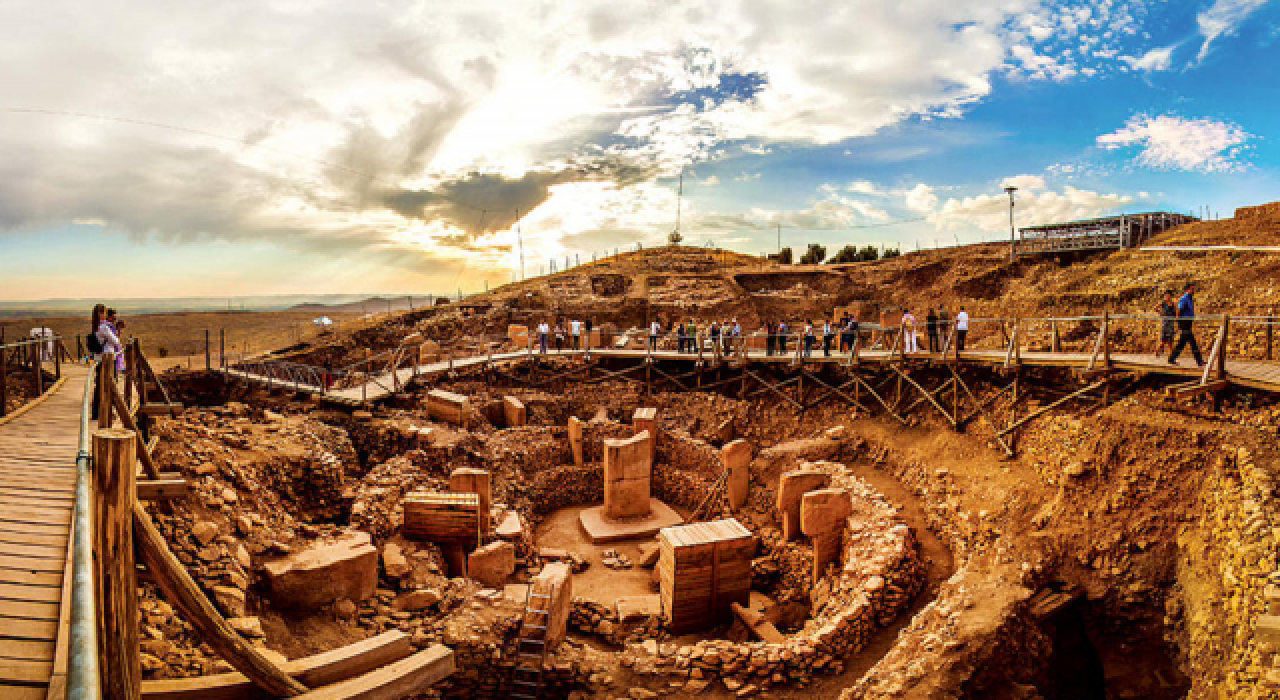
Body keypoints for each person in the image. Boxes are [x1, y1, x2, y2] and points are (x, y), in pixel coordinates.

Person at [1169, 283, 1205, 366]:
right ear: (1187, 290)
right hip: (1184, 322)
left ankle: (1171, 359)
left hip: (1188, 322)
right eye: (1191, 289)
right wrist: (1178, 323)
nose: (1193, 291)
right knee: (1192, 342)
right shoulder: (1184, 298)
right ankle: (1199, 361)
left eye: (1193, 289)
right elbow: (1179, 311)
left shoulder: (1190, 299)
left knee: (1182, 343)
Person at [97, 306, 124, 371]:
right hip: (108, 353)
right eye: (113, 318)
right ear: (107, 317)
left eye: (115, 318)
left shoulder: (104, 326)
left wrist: (118, 330)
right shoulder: (106, 327)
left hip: (108, 353)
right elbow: (115, 341)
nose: (114, 320)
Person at [1155, 290, 1176, 357]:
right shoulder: (1163, 303)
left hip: (1171, 323)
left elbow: (1176, 312)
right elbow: (1155, 308)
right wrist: (1161, 313)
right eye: (1166, 295)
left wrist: (1176, 319)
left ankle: (1171, 354)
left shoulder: (1173, 304)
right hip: (1165, 323)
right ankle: (1157, 350)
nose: (1167, 296)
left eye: (1168, 295)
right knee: (1163, 340)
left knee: (1171, 340)